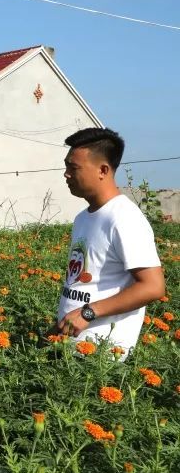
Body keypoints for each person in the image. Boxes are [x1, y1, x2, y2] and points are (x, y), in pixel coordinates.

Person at [56, 128, 165, 353]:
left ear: (103, 170)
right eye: (66, 166)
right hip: (70, 347)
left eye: (73, 167)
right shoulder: (83, 218)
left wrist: (88, 312)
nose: (66, 174)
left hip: (102, 358)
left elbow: (153, 287)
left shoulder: (124, 218)